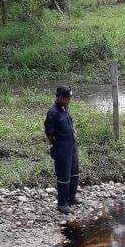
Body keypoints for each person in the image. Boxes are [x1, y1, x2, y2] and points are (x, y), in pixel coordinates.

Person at [44, 86, 80, 214]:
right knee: (63, 175)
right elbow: (49, 133)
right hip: (62, 148)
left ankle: (71, 197)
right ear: (59, 97)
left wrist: (74, 131)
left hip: (72, 146)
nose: (68, 100)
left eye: (69, 97)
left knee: (74, 172)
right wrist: (57, 145)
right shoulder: (53, 112)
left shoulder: (66, 109)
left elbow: (70, 121)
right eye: (66, 98)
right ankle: (62, 203)